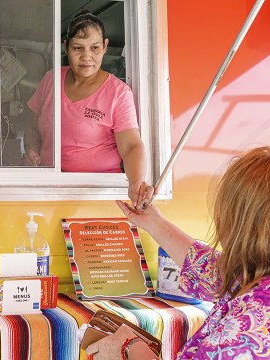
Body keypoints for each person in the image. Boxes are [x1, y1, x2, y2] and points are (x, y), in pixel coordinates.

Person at [84, 146, 270, 359]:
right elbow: (210, 270)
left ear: (242, 224)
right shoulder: (252, 277)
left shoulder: (254, 323)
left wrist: (130, 347)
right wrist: (155, 223)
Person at [23, 10, 152, 208]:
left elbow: (132, 146)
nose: (87, 56)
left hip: (96, 193)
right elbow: (32, 125)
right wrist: (31, 149)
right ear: (66, 47)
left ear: (105, 46)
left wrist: (135, 182)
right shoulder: (51, 79)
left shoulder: (118, 93)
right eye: (78, 48)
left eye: (94, 48)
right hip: (48, 189)